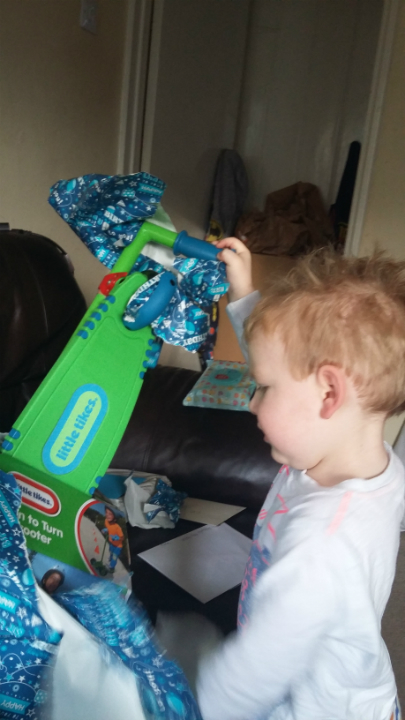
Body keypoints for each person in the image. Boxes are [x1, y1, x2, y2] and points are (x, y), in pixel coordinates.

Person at [196, 237, 405, 720]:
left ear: (329, 394)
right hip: (360, 689)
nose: (252, 402)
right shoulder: (370, 461)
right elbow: (284, 357)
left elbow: (247, 682)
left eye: (263, 389)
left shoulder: (321, 547)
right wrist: (245, 294)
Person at [102, 506, 124, 573]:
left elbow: (122, 537)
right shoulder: (106, 521)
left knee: (114, 556)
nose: (107, 515)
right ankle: (110, 559)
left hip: (118, 546)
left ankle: (111, 567)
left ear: (115, 517)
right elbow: (109, 528)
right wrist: (106, 530)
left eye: (110, 514)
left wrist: (117, 538)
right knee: (111, 552)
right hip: (112, 543)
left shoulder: (117, 527)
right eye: (106, 512)